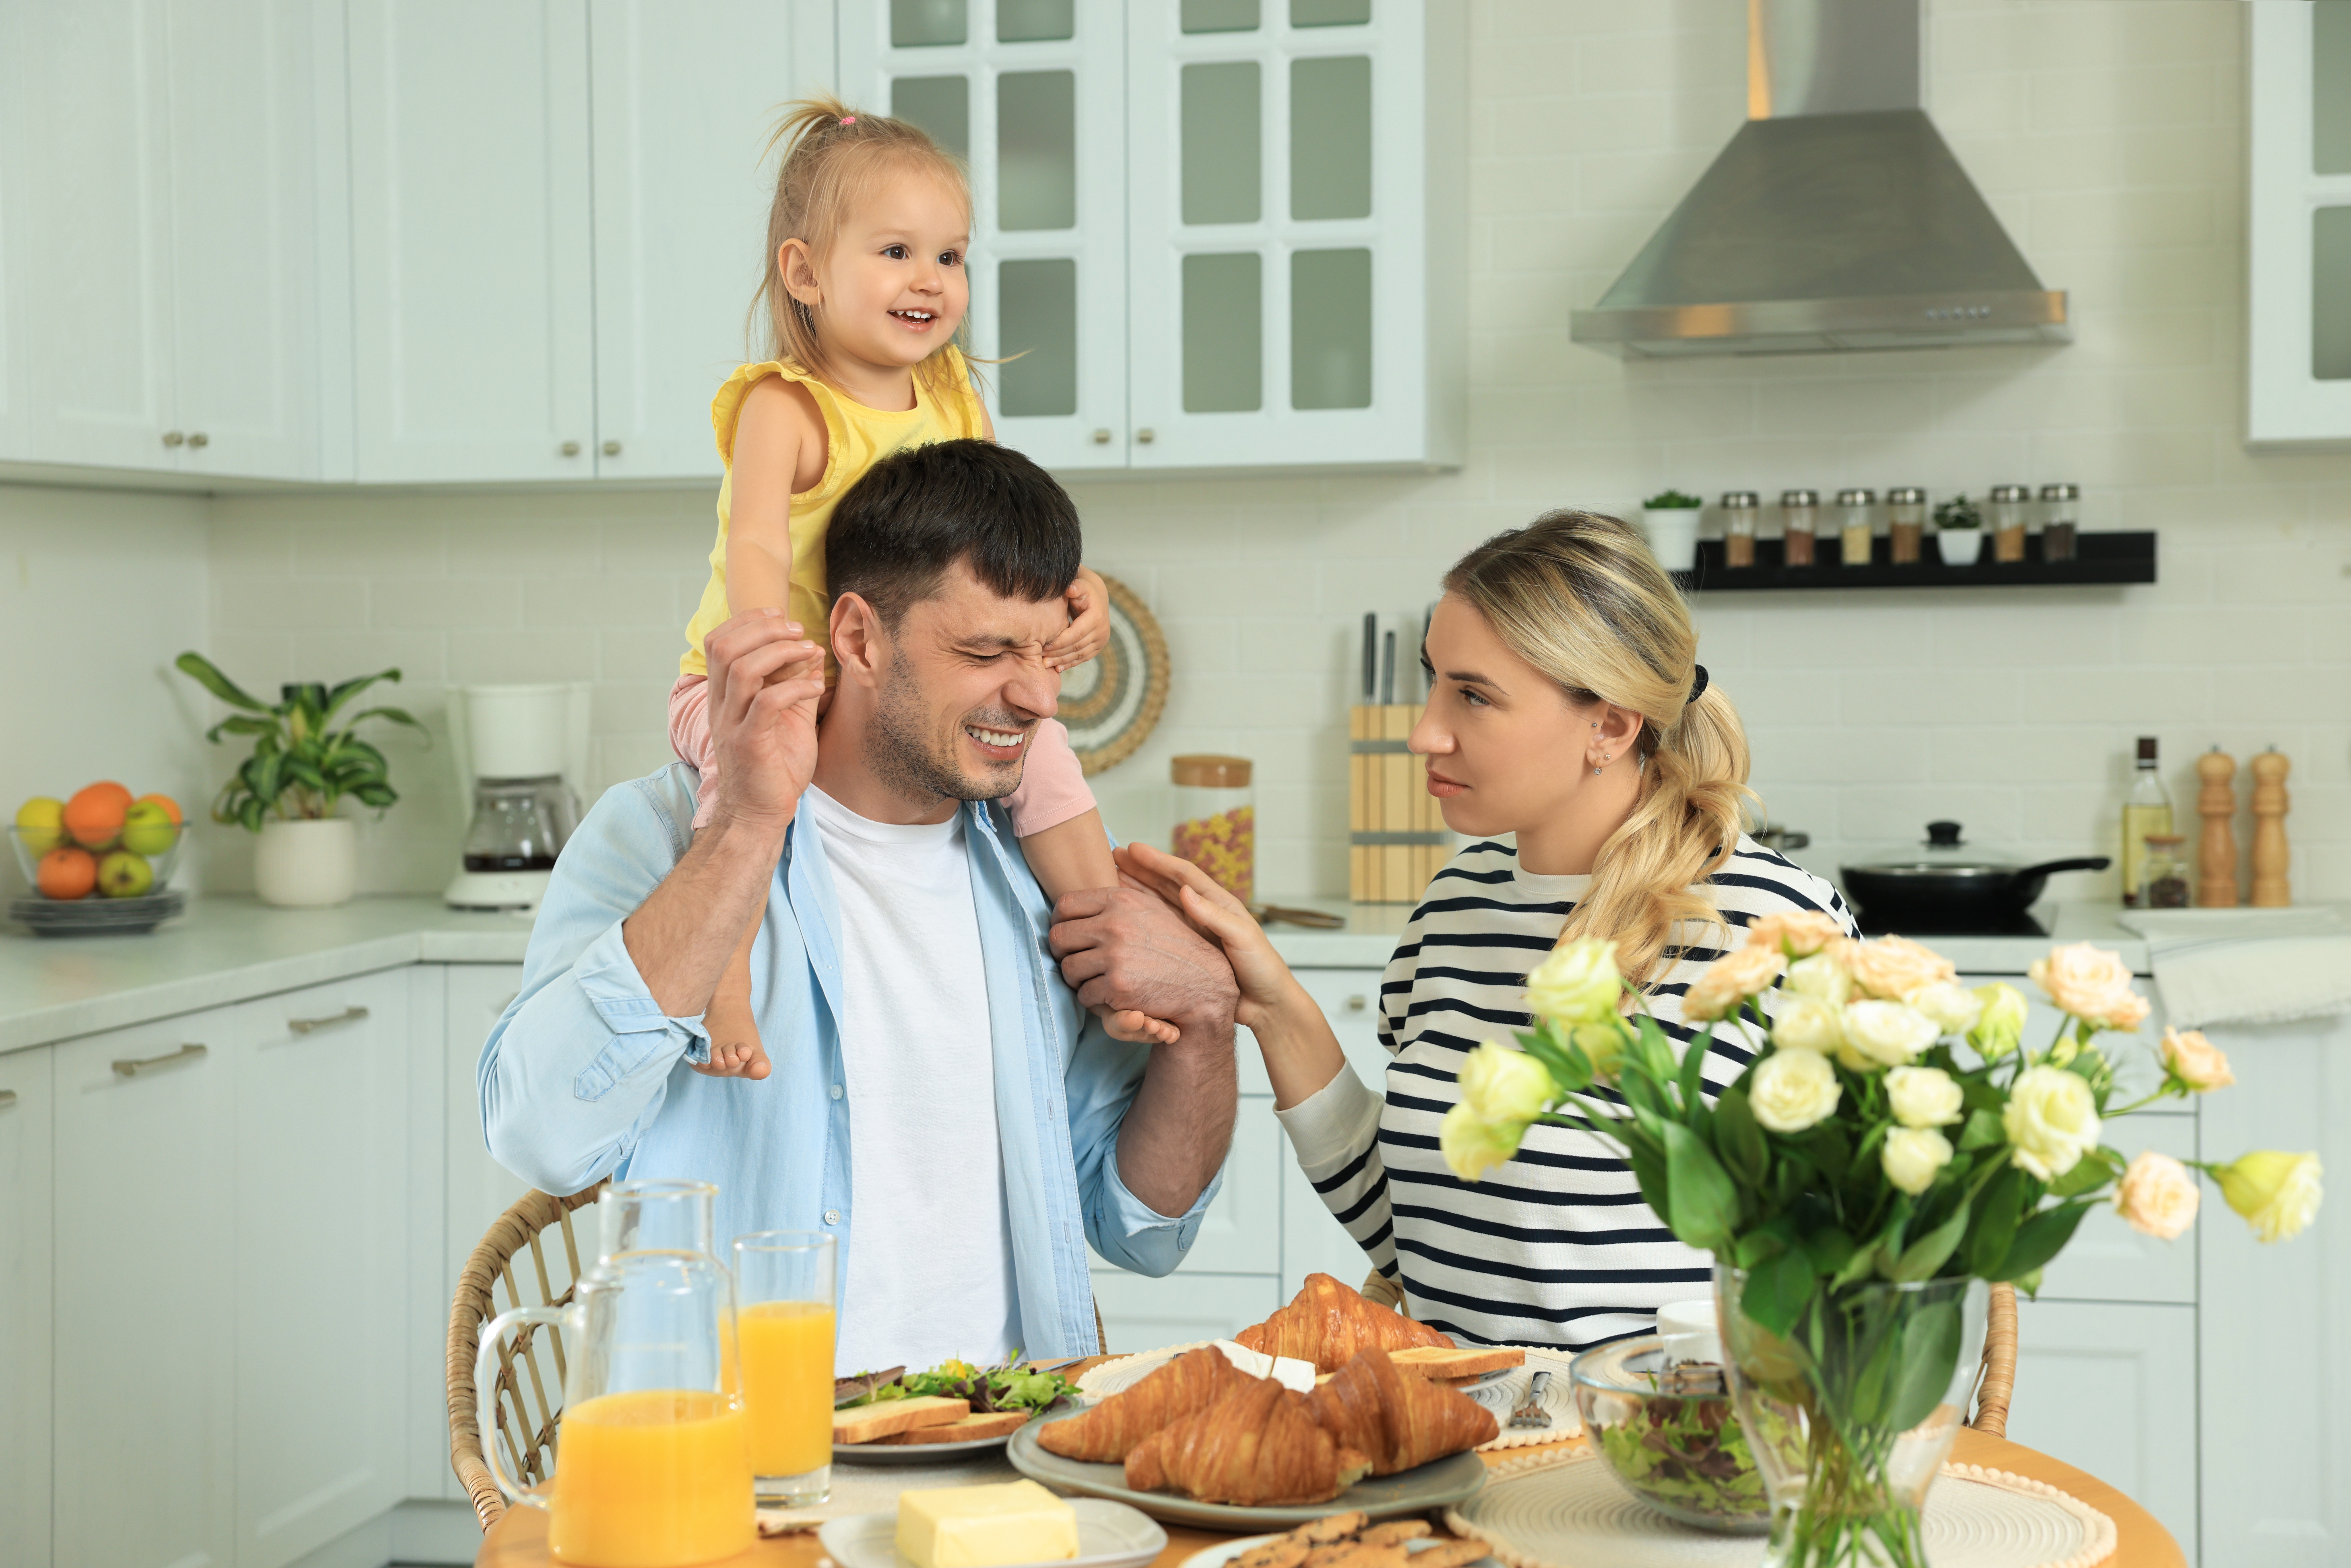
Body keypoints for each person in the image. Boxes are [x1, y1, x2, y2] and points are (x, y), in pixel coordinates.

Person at [480, 440, 1240, 1369]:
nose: (1038, 696)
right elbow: (542, 1137)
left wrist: (1208, 1022)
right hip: (740, 1467)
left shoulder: (1036, 877)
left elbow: (1142, 1229)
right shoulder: (660, 832)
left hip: (999, 1455)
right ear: (857, 638)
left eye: (1048, 655)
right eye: (986, 651)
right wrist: (749, 827)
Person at [1113, 511, 1857, 1351]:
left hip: (1665, 1459)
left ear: (1609, 726)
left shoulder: (1774, 930)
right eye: (1433, 680)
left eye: (1473, 694)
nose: (1423, 731)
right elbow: (1426, 1240)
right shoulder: (1454, 907)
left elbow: (1855, 1270)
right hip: (1465, 1435)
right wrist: (1274, 999)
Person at [668, 96, 1149, 1082]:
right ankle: (722, 987)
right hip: (766, 676)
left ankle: (1111, 947)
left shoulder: (954, 398)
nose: (929, 280)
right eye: (895, 252)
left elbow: (1000, 532)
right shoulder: (785, 405)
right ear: (805, 272)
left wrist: (1071, 587)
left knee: (1050, 759)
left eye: (951, 256)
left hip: (882, 690)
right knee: (748, 789)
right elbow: (756, 541)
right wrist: (769, 661)